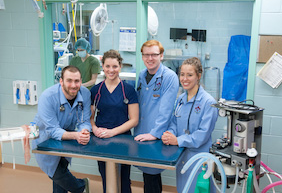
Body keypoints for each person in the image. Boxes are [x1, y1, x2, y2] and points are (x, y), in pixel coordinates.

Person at [162, 57, 218, 193]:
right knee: (183, 189)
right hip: (182, 156)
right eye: (182, 74)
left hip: (199, 159)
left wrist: (177, 140)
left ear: (199, 76)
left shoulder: (208, 102)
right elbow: (174, 122)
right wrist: (170, 134)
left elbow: (202, 135)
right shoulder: (181, 99)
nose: (184, 79)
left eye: (190, 75)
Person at [32, 65, 92, 193]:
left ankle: (80, 186)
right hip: (45, 138)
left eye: (77, 81)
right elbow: (52, 130)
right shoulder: (47, 97)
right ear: (61, 81)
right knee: (55, 173)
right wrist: (76, 135)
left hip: (68, 138)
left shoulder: (85, 94)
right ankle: (81, 186)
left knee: (61, 170)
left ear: (81, 81)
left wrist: (84, 131)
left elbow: (84, 120)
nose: (73, 85)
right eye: (69, 80)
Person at [90, 49, 139, 193]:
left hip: (123, 139)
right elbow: (90, 117)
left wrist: (112, 132)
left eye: (115, 66)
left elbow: (134, 120)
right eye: (107, 66)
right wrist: (94, 128)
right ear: (103, 67)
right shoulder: (96, 90)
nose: (111, 70)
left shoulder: (128, 90)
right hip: (101, 139)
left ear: (120, 66)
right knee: (105, 176)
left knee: (123, 178)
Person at [134, 40, 179, 193]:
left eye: (154, 54)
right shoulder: (141, 75)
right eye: (146, 55)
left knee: (152, 172)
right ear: (142, 57)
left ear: (161, 56)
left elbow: (166, 110)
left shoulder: (169, 76)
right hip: (141, 130)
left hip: (156, 132)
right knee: (148, 174)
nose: (150, 58)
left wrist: (154, 133)